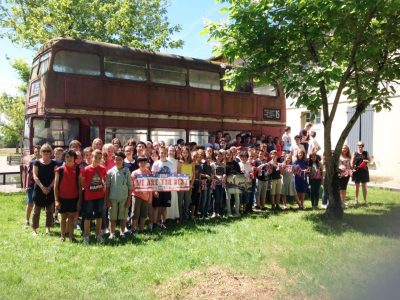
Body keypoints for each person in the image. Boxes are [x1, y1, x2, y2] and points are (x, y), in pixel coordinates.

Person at [80, 149, 107, 243]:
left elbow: (104, 179)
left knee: (99, 216)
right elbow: (82, 182)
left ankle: (98, 234)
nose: (97, 159)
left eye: (99, 158)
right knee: (88, 216)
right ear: (92, 156)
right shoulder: (86, 169)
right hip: (89, 197)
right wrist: (88, 188)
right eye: (96, 157)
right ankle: (86, 236)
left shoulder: (103, 168)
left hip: (100, 196)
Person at [31, 144, 58, 236]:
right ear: (41, 152)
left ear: (51, 153)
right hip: (39, 189)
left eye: (48, 151)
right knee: (36, 211)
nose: (46, 153)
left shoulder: (54, 163)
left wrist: (50, 187)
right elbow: (35, 176)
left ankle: (48, 228)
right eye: (44, 151)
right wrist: (42, 187)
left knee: (50, 211)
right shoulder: (36, 163)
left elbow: (56, 177)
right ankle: (34, 229)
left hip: (50, 189)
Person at [54, 150, 80, 241]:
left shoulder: (77, 169)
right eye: (67, 157)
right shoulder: (59, 170)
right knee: (63, 218)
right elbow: (56, 186)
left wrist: (79, 200)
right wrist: (56, 200)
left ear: (75, 159)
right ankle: (62, 236)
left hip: (73, 198)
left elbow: (79, 186)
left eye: (71, 157)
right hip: (62, 198)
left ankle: (71, 236)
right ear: (64, 158)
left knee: (71, 218)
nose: (69, 159)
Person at [105, 151, 132, 239]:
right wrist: (107, 200)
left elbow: (130, 187)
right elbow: (107, 187)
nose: (118, 161)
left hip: (124, 198)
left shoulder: (127, 171)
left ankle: (122, 232)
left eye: (120, 159)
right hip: (113, 198)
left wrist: (129, 200)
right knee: (112, 217)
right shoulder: (110, 172)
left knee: (123, 216)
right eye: (116, 159)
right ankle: (112, 233)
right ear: (114, 160)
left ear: (123, 160)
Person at [151, 146, 173, 229]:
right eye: (161, 153)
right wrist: (155, 190)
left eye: (164, 153)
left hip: (167, 188)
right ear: (159, 153)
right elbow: (153, 177)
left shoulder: (170, 164)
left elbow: (172, 177)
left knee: (165, 206)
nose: (163, 154)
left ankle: (163, 222)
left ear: (167, 153)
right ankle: (154, 223)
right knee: (156, 206)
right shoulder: (156, 163)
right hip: (158, 188)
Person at [131, 156, 152, 234]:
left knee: (144, 214)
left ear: (146, 163)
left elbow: (150, 185)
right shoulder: (134, 173)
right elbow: (133, 185)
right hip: (136, 196)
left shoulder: (148, 172)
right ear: (138, 163)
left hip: (146, 196)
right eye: (141, 162)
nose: (143, 164)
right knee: (135, 214)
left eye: (144, 162)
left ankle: (142, 229)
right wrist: (141, 190)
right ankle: (133, 230)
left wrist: (150, 196)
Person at [24, 145, 41, 227]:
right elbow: (28, 175)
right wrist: (26, 185)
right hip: (32, 184)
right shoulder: (31, 162)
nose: (37, 153)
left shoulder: (44, 162)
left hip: (40, 186)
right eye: (35, 152)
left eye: (38, 151)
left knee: (37, 204)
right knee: (30, 202)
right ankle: (27, 220)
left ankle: (35, 221)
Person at [177, 146, 195, 221]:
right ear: (181, 153)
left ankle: (186, 217)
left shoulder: (192, 162)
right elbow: (178, 174)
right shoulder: (179, 162)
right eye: (183, 153)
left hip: (189, 184)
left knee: (187, 201)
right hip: (181, 184)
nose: (185, 154)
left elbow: (193, 174)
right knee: (180, 201)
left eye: (186, 153)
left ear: (189, 153)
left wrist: (191, 184)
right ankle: (180, 217)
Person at [224, 149, 242, 215]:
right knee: (228, 197)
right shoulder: (224, 163)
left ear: (232, 155)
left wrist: (236, 175)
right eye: (227, 154)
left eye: (230, 154)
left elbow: (239, 172)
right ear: (225, 155)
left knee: (237, 196)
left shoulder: (235, 162)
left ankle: (237, 211)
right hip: (228, 181)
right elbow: (224, 173)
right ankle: (229, 212)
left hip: (235, 181)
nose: (229, 156)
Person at [211, 149, 226, 217]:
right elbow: (212, 174)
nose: (219, 157)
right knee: (215, 198)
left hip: (222, 184)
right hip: (215, 183)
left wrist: (224, 176)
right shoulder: (212, 165)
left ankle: (218, 212)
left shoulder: (223, 165)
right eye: (217, 156)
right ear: (215, 157)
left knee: (220, 198)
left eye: (220, 156)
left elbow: (224, 173)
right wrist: (216, 177)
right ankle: (214, 212)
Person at [166, 145, 180, 221]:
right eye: (170, 150)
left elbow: (178, 173)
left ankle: (173, 216)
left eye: (173, 151)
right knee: (167, 198)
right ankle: (166, 216)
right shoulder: (165, 160)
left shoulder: (176, 161)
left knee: (173, 198)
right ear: (167, 151)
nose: (171, 152)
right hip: (166, 183)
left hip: (174, 183)